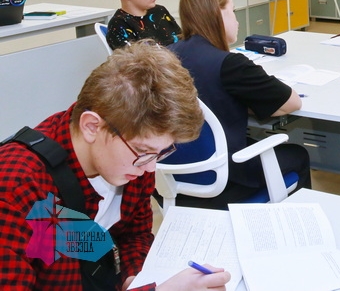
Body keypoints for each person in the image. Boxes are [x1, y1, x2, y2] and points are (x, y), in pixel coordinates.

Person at [0, 41, 232, 290]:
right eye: (143, 151)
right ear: (92, 126)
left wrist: (133, 280)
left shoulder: (133, 158)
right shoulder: (15, 188)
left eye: (161, 152)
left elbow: (135, 234)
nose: (150, 169)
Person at [168, 0, 311, 206]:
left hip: (171, 175)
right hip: (224, 178)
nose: (236, 20)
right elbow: (291, 103)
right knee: (298, 155)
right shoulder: (230, 64)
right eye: (232, 11)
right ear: (217, 14)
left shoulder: (166, 56)